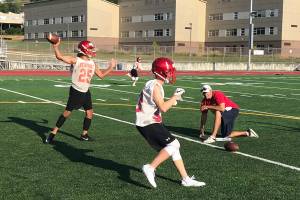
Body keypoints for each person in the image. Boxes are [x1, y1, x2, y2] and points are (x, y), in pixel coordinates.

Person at [136, 57, 206, 188]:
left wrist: (173, 100)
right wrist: (175, 96)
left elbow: (158, 105)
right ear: (161, 72)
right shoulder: (156, 86)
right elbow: (163, 107)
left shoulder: (154, 84)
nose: (171, 74)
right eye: (169, 71)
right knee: (174, 145)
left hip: (149, 121)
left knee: (174, 148)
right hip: (148, 122)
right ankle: (150, 167)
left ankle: (185, 179)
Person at [45, 39, 116, 143]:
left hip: (86, 91)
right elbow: (59, 57)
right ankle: (53, 132)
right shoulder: (76, 60)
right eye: (90, 48)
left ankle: (84, 134)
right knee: (67, 113)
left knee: (90, 112)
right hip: (76, 91)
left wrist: (111, 67)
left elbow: (101, 75)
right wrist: (55, 46)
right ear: (84, 49)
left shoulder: (92, 63)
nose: (92, 50)